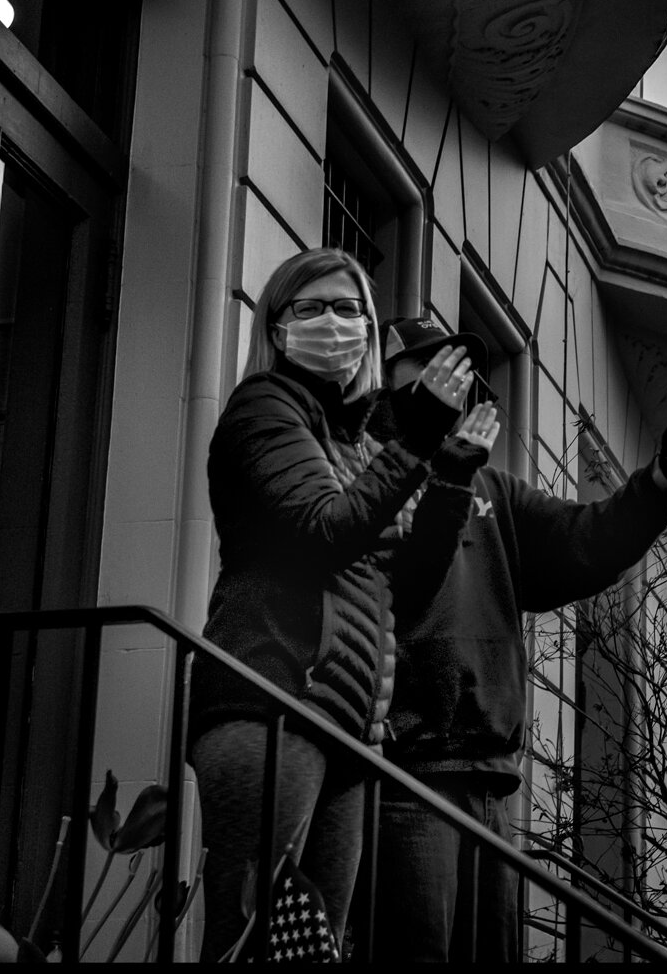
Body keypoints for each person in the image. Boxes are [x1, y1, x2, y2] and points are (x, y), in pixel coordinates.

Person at [365, 316, 667, 963]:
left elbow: (588, 539)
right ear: (390, 387)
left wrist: (660, 479)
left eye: (458, 372)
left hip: (492, 777)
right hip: (406, 772)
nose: (450, 383)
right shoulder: (376, 476)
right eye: (430, 370)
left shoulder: (494, 490)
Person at [187, 248, 483, 961]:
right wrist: (415, 437)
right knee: (251, 943)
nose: (333, 323)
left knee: (311, 950)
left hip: (347, 727)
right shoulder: (265, 407)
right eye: (310, 307)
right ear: (277, 324)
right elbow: (322, 531)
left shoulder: (352, 444)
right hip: (274, 702)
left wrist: (447, 480)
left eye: (349, 309)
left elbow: (399, 593)